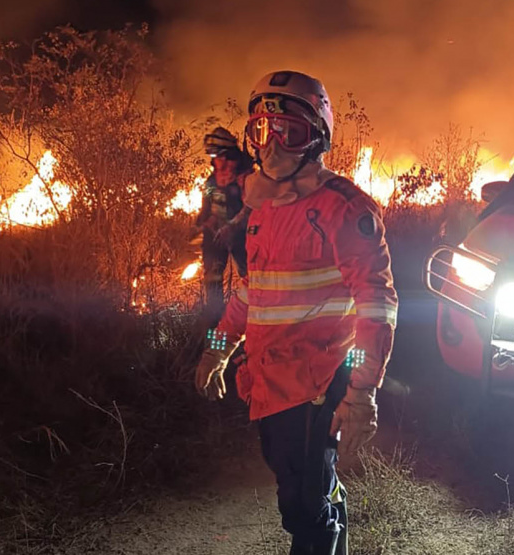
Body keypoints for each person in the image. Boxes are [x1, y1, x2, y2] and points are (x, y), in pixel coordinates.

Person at [194, 70, 398, 555]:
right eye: (262, 130)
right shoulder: (264, 208)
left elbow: (377, 305)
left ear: (317, 138)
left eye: (290, 132)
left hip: (316, 385)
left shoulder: (345, 210)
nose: (272, 146)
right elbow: (251, 294)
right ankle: (330, 516)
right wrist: (217, 350)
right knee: (300, 485)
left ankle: (324, 528)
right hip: (269, 383)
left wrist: (362, 393)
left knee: (304, 508)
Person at [196, 127, 252, 323]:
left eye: (217, 156)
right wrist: (205, 222)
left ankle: (252, 321)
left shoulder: (247, 179)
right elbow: (207, 205)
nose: (214, 161)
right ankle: (215, 322)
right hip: (216, 236)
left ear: (228, 156)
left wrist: (232, 227)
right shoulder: (212, 181)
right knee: (212, 279)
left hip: (242, 237)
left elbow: (250, 208)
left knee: (251, 278)